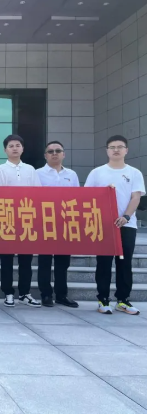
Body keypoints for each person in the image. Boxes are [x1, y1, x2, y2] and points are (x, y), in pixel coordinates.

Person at [85, 135, 145, 315]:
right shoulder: (97, 172)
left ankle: (123, 300)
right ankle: (103, 299)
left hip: (127, 224)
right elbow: (88, 197)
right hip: (103, 225)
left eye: (120, 147)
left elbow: (136, 197)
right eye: (112, 147)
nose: (116, 150)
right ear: (107, 151)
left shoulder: (134, 173)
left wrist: (126, 216)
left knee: (124, 262)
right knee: (103, 262)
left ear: (126, 150)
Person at [0, 134, 42, 308]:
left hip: (26, 219)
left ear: (23, 149)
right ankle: (8, 292)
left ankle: (24, 293)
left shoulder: (30, 169)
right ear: (5, 150)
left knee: (26, 260)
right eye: (11, 146)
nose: (14, 148)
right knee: (6, 259)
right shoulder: (0, 169)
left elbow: (38, 193)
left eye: (17, 145)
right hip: (7, 219)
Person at [36, 141, 80, 308]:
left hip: (65, 224)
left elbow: (77, 198)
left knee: (63, 262)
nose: (54, 153)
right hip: (44, 223)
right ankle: (46, 294)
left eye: (58, 150)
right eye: (50, 151)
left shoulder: (72, 175)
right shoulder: (37, 174)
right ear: (45, 155)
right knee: (45, 261)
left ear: (63, 154)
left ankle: (62, 295)